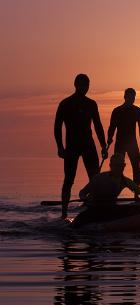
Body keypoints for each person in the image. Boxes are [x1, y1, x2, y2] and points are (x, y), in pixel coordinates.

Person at [54, 74, 108, 219]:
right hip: (72, 146)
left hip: (88, 145)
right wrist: (60, 146)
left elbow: (98, 125)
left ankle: (95, 209)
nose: (85, 88)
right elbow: (57, 126)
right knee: (69, 179)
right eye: (82, 85)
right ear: (76, 85)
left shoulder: (91, 104)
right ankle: (64, 213)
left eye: (87, 85)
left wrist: (103, 146)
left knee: (95, 178)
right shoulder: (65, 103)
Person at [72, 153, 140, 228]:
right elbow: (82, 192)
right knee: (79, 222)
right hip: (95, 208)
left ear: (124, 166)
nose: (119, 168)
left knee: (138, 209)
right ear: (111, 166)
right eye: (116, 165)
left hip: (111, 208)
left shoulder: (125, 181)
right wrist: (84, 198)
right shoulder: (99, 177)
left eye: (121, 166)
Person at [107, 88, 140, 198]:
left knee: (136, 168)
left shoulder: (138, 111)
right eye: (129, 97)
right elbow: (112, 127)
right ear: (125, 97)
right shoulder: (117, 111)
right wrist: (109, 139)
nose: (131, 99)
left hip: (132, 144)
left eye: (133, 97)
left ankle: (136, 195)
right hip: (120, 143)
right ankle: (113, 195)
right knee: (116, 169)